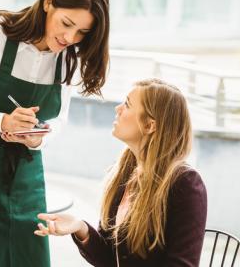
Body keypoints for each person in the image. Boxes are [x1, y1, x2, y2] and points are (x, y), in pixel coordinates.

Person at [0, 0, 109, 266]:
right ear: (48, 2)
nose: (69, 37)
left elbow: (59, 120)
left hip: (26, 180)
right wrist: (2, 122)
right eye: (66, 23)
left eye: (82, 32)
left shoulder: (67, 57)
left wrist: (36, 139)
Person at [35, 78, 208, 266]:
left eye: (127, 104)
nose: (118, 108)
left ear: (150, 125)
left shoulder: (186, 184)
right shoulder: (124, 172)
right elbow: (109, 259)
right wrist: (80, 227)